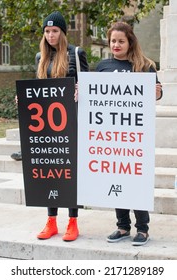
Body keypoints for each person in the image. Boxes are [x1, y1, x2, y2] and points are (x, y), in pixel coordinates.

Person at [96, 21, 162, 246]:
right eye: (113, 41)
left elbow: (156, 96)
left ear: (130, 42)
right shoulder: (102, 66)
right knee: (116, 179)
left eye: (120, 41)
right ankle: (122, 226)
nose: (116, 44)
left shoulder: (145, 66)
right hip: (111, 135)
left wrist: (157, 92)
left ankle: (142, 229)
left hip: (135, 136)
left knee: (136, 181)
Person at [36, 11, 89, 241]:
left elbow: (90, 86)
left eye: (55, 31)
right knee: (50, 173)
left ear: (63, 32)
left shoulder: (76, 54)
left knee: (71, 174)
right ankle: (51, 221)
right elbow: (38, 90)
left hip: (72, 122)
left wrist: (81, 90)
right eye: (47, 31)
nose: (50, 35)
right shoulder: (41, 58)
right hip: (47, 126)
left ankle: (73, 221)